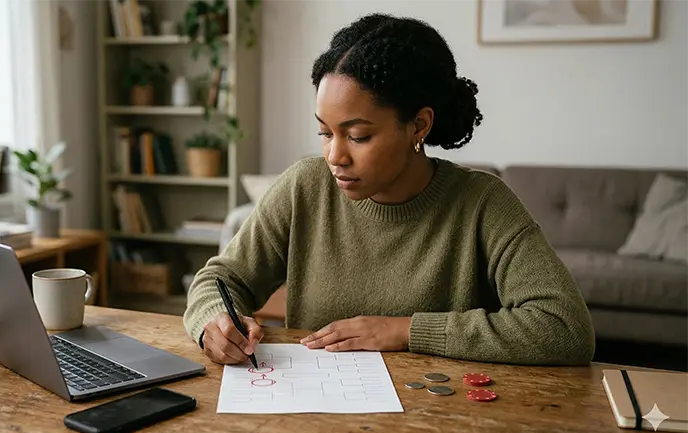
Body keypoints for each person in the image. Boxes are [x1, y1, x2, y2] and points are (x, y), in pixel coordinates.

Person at [183, 13, 595, 366]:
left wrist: (404, 331)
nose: (334, 155)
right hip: (314, 416)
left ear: (418, 126)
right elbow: (219, 279)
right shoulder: (304, 187)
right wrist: (213, 321)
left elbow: (565, 327)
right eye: (325, 132)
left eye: (358, 136)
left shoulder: (482, 203)